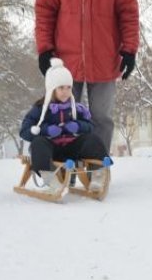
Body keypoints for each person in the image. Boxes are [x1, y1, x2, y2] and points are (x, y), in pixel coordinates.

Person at [34, 0, 140, 153]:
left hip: (104, 60)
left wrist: (129, 50)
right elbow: (44, 12)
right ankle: (66, 164)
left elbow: (129, 15)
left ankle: (96, 164)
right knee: (64, 114)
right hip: (66, 63)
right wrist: (44, 49)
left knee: (101, 116)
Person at [19, 58, 111, 193]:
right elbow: (24, 131)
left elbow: (90, 126)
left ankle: (98, 175)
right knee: (38, 143)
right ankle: (50, 179)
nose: (66, 91)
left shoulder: (76, 108)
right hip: (50, 150)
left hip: (71, 149)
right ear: (52, 88)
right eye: (61, 88)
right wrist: (45, 130)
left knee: (92, 139)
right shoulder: (40, 108)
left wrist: (78, 126)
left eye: (69, 87)